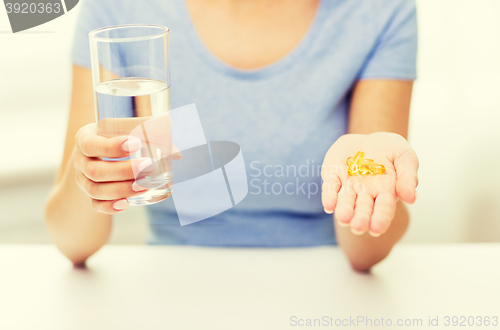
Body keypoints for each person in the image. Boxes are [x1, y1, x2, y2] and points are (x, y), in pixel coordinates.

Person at [45, 0, 419, 271]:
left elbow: (366, 253)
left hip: (322, 280)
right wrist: (91, 175)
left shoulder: (381, 10)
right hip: (172, 283)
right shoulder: (118, 9)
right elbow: (72, 242)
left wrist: (364, 186)